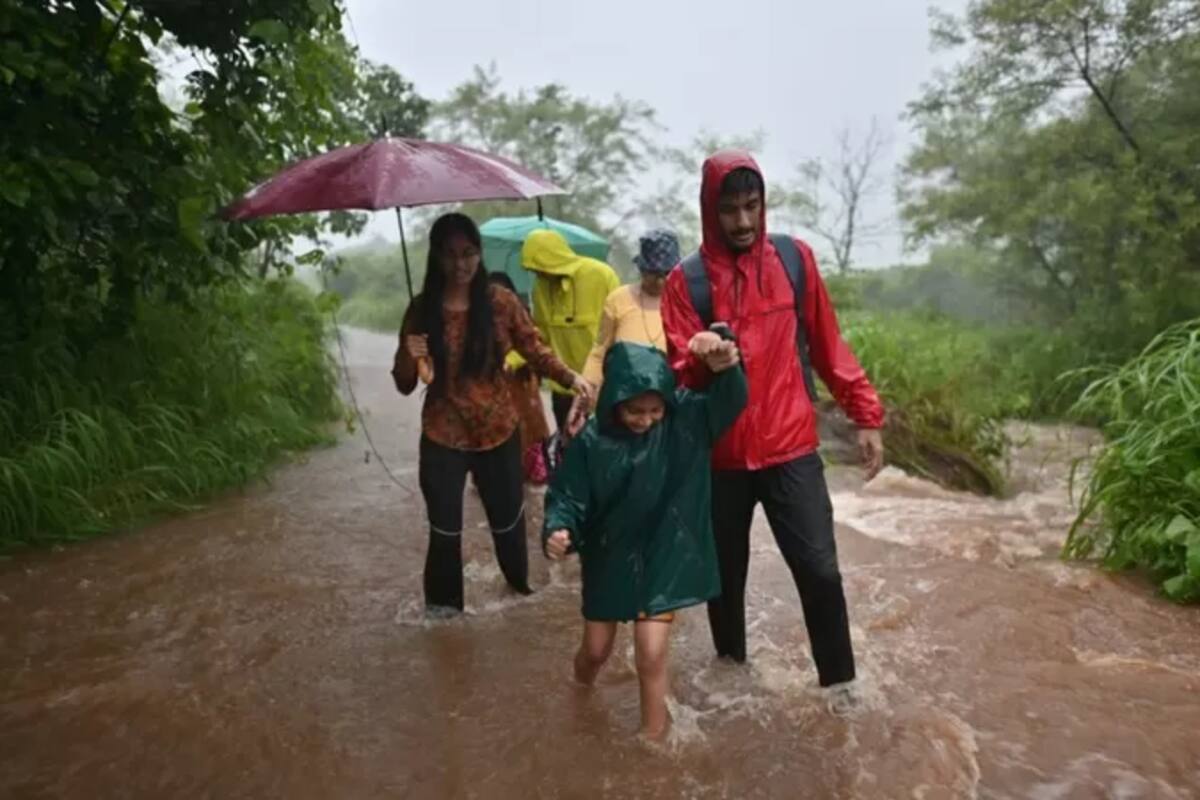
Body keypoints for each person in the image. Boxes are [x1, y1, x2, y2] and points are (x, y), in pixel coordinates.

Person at [660, 151, 886, 715]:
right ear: (710, 211)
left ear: (763, 204)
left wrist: (865, 413)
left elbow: (828, 344)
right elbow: (675, 372)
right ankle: (731, 686)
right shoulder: (684, 281)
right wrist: (700, 359)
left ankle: (841, 692)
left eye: (751, 206)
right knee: (724, 582)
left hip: (791, 449)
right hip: (719, 458)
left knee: (820, 570)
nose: (742, 221)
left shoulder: (793, 260)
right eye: (730, 209)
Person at [543, 334, 747, 739]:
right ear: (614, 399)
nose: (646, 419)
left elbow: (730, 400)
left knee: (651, 655)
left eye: (655, 410)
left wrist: (725, 366)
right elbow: (566, 495)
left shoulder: (684, 421)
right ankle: (580, 690)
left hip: (664, 551)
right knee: (596, 652)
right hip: (609, 553)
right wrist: (557, 529)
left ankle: (651, 742)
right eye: (635, 410)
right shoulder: (591, 441)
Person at [392, 213, 595, 616]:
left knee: (508, 527)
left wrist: (572, 378)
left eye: (468, 253)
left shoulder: (499, 302)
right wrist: (407, 353)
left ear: (479, 254)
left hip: (499, 433)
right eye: (450, 255)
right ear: (436, 257)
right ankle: (444, 622)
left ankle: (519, 597)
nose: (460, 264)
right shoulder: (421, 310)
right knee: (445, 533)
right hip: (442, 437)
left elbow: (534, 348)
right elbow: (404, 383)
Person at [520, 229, 619, 434]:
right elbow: (540, 336)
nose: (538, 274)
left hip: (602, 387)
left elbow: (620, 329)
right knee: (569, 454)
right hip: (564, 388)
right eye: (534, 270)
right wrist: (513, 360)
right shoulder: (540, 288)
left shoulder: (601, 274)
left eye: (540, 267)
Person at [581, 229, 679, 390]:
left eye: (667, 274)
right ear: (641, 269)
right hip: (625, 393)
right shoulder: (619, 299)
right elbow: (600, 350)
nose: (660, 281)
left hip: (670, 394)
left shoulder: (685, 301)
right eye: (653, 273)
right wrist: (589, 385)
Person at [487, 271, 552, 485]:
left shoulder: (522, 314)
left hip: (521, 384)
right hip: (494, 387)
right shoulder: (478, 318)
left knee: (529, 429)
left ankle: (530, 471)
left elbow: (535, 345)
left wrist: (512, 360)